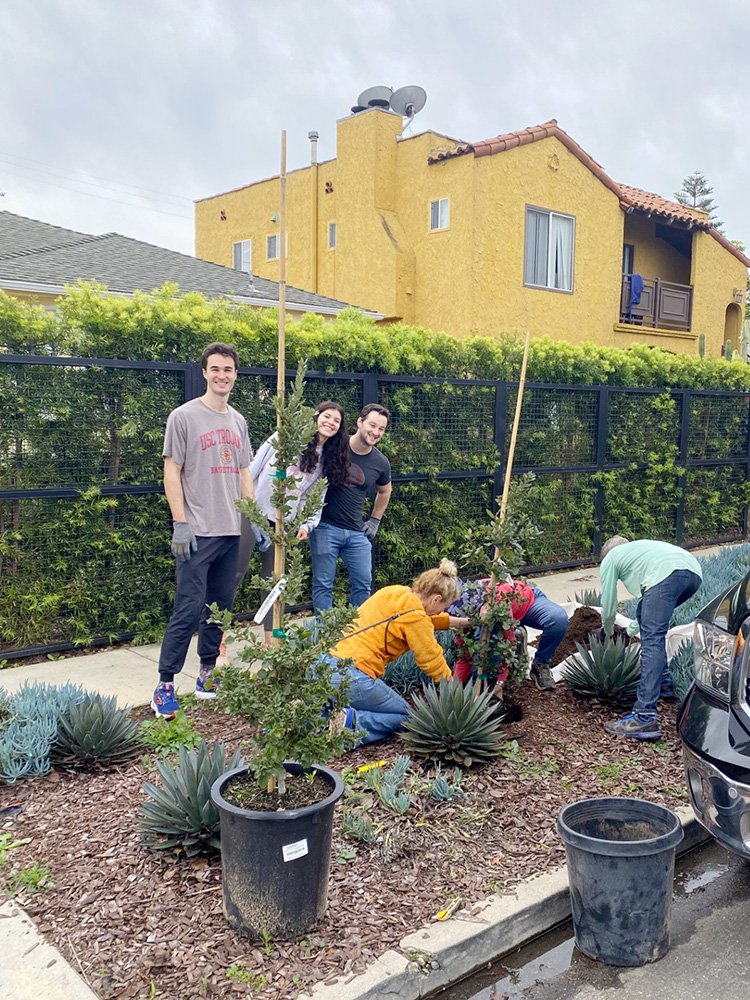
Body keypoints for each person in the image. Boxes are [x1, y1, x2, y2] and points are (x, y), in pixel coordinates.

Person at [151, 342, 254, 720]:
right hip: (197, 532)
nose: (222, 375)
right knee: (188, 608)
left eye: (228, 369)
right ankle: (164, 686)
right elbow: (171, 471)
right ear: (205, 372)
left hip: (232, 531)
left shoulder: (238, 421)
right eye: (215, 369)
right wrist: (180, 522)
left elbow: (244, 471)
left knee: (219, 609)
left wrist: (252, 516)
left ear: (235, 375)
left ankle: (207, 674)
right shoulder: (183, 417)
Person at [224, 401, 349, 649]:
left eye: (336, 421)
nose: (330, 423)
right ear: (315, 417)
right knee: (234, 574)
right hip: (254, 515)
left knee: (274, 581)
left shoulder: (326, 460)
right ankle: (218, 637)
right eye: (327, 416)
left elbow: (312, 497)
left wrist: (306, 525)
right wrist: (248, 508)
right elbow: (252, 469)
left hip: (282, 525)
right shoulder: (283, 438)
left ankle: (271, 638)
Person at [328, 559, 470, 744]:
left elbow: (424, 619)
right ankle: (352, 724)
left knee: (335, 701)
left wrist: (465, 622)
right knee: (406, 715)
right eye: (443, 607)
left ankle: (322, 720)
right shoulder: (416, 618)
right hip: (353, 676)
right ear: (435, 599)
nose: (440, 612)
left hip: (326, 664)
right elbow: (431, 659)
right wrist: (455, 691)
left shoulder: (395, 592)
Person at [599, 536, 703, 740]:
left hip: (668, 574)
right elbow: (645, 612)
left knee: (651, 640)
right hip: (693, 573)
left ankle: (643, 717)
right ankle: (663, 684)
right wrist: (629, 632)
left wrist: (608, 631)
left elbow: (609, 603)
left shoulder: (611, 557)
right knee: (652, 626)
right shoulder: (641, 551)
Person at [309, 402, 392, 613]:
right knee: (323, 585)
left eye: (381, 429)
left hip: (357, 533)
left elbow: (385, 491)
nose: (375, 432)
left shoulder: (380, 463)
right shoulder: (334, 446)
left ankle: (357, 636)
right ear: (359, 422)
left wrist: (374, 521)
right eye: (372, 425)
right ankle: (325, 639)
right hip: (325, 527)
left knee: (364, 584)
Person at [450, 578, 568, 693]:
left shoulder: (494, 601)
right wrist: (453, 688)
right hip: (497, 616)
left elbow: (510, 644)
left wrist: (500, 682)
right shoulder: (459, 615)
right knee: (484, 656)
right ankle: (517, 635)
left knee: (558, 619)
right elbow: (464, 656)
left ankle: (540, 664)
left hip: (525, 602)